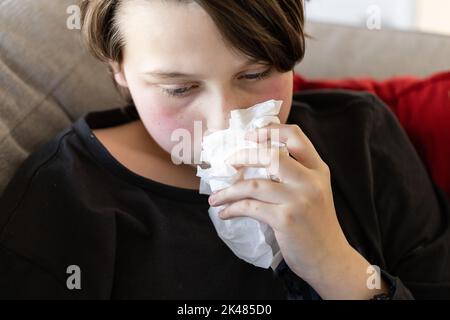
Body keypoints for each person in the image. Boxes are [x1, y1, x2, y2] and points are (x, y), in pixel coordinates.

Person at [0, 0, 449, 299]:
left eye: (253, 75)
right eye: (179, 88)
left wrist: (338, 268)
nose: (222, 118)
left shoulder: (363, 138)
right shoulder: (63, 200)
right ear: (118, 68)